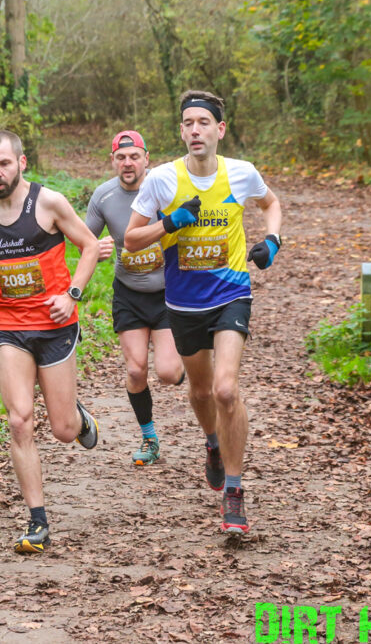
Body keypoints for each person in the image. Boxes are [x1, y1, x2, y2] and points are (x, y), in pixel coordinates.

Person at [123, 90, 283, 535]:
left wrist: (272, 241)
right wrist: (170, 223)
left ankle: (234, 492)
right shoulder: (161, 181)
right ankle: (213, 442)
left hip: (231, 292)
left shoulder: (240, 173)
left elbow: (271, 204)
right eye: (188, 123)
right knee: (200, 392)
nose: (196, 130)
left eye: (204, 123)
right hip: (183, 303)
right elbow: (131, 241)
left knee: (226, 390)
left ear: (219, 130)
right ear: (181, 131)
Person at [0, 129, 102, 554]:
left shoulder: (49, 202)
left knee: (62, 429)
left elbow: (89, 246)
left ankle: (79, 419)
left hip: (55, 325)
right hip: (9, 326)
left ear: (21, 162)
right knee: (19, 420)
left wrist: (72, 294)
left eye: (4, 163)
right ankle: (37, 521)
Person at [85, 130, 184, 466]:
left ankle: (196, 369)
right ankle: (150, 438)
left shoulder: (165, 187)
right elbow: (85, 239)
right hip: (129, 293)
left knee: (169, 372)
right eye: (121, 157)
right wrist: (93, 250)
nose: (128, 163)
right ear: (113, 161)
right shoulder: (103, 196)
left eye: (134, 156)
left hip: (167, 293)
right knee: (136, 369)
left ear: (147, 159)